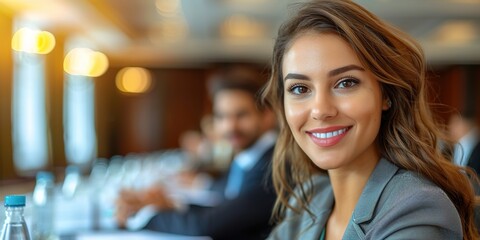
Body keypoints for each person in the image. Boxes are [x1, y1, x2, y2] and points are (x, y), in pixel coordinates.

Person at [260, 0, 478, 239]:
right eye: (300, 89)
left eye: (346, 83)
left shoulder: (417, 208)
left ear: (386, 94)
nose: (320, 110)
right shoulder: (308, 200)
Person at [115, 67, 278, 240]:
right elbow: (227, 209)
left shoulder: (273, 165)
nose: (230, 126)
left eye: (241, 115)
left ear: (267, 116)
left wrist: (140, 217)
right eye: (221, 116)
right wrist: (170, 205)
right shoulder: (250, 156)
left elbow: (208, 225)